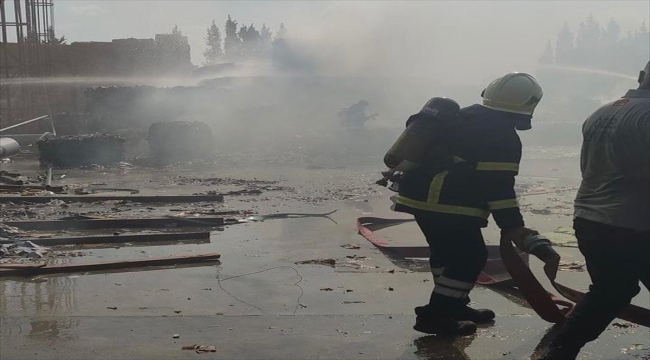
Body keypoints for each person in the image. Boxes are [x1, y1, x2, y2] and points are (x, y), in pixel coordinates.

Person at [392, 72, 552, 336]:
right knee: (470, 256)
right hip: (449, 203)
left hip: (417, 196)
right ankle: (436, 315)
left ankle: (453, 305)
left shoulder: (465, 115)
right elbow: (499, 187)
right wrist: (513, 226)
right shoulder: (502, 135)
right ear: (529, 105)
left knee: (445, 253)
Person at [540, 61, 650, 360]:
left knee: (611, 290)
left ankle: (561, 350)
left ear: (641, 77)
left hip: (591, 218)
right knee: (613, 289)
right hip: (635, 223)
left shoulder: (602, 112)